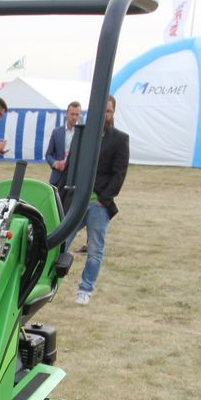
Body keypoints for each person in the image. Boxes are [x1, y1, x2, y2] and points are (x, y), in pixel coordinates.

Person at [68, 96, 129, 306]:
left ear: (113, 113)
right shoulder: (84, 135)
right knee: (61, 242)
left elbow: (119, 174)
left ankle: (85, 288)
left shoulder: (120, 139)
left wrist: (104, 199)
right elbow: (72, 165)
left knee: (95, 249)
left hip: (99, 204)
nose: (105, 115)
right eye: (101, 110)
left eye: (109, 111)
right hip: (77, 200)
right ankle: (49, 280)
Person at [45, 102, 81, 186]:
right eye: (72, 114)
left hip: (75, 180)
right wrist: (55, 163)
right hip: (58, 178)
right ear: (66, 114)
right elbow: (48, 155)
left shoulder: (83, 133)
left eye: (77, 114)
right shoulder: (56, 132)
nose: (74, 117)